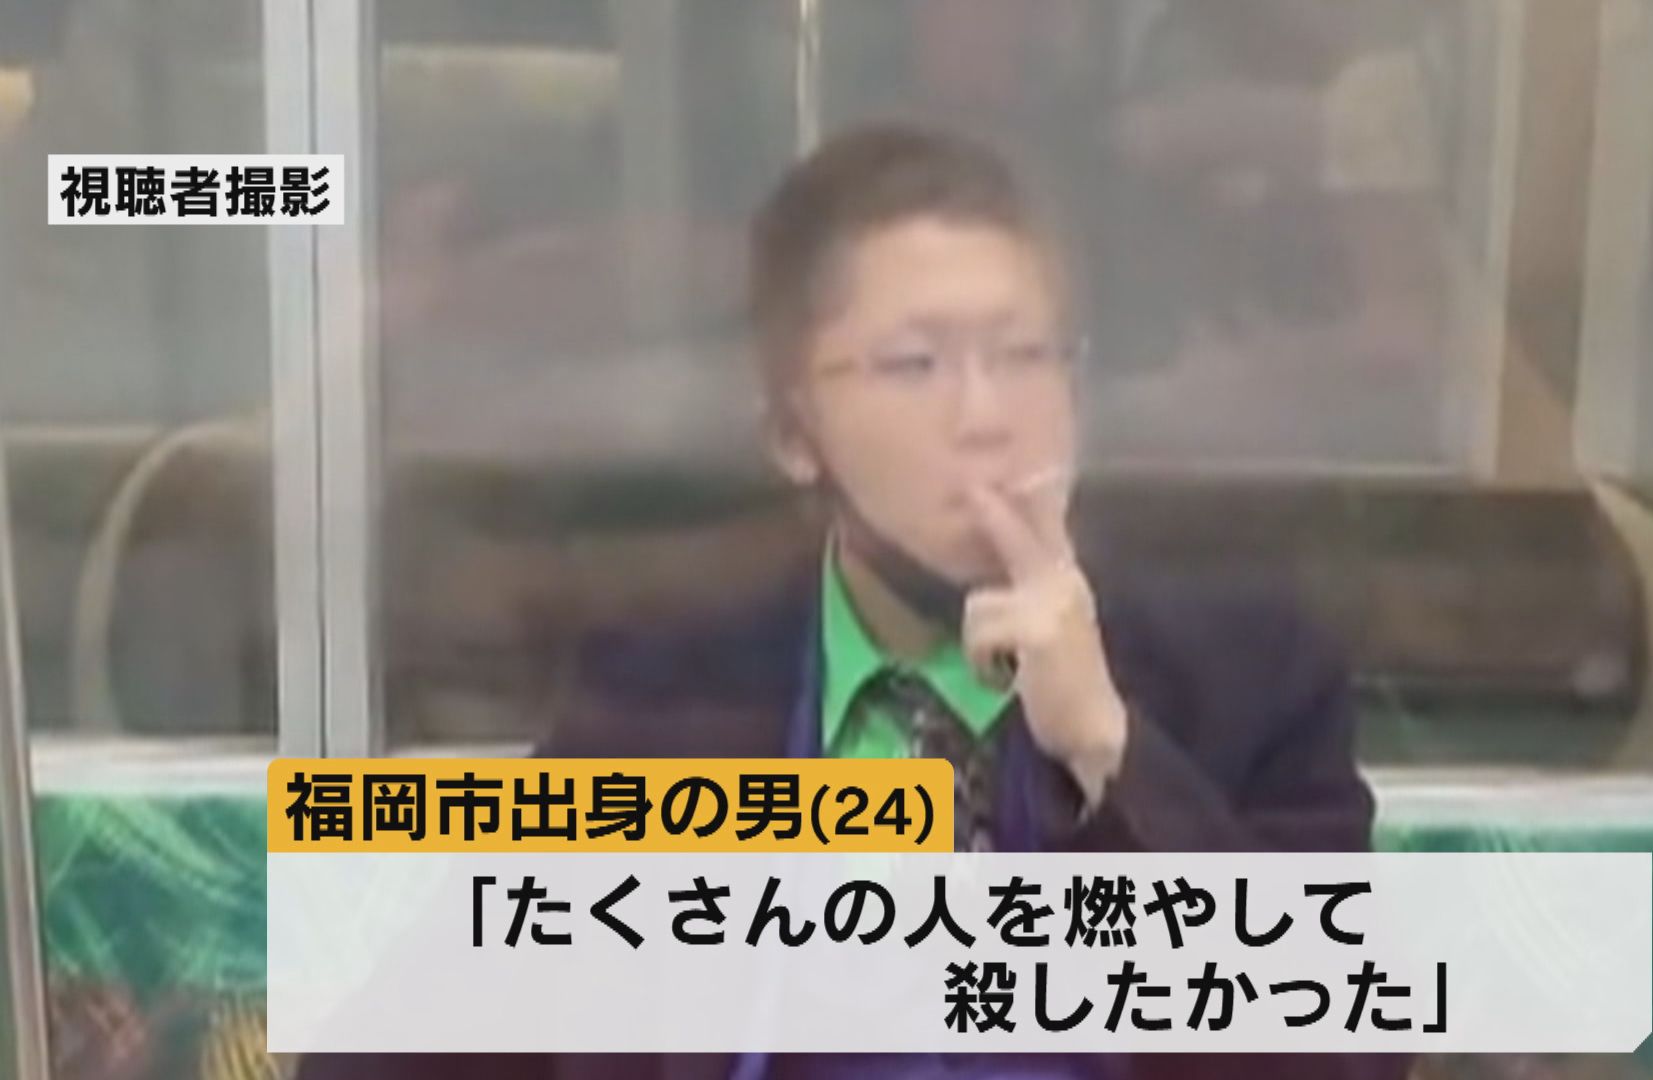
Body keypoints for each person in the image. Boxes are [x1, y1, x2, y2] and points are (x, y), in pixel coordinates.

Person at [299, 124, 1403, 1080]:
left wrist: (1112, 754)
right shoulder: (668, 688)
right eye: (916, 366)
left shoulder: (1245, 673)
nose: (986, 416)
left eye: (1026, 357)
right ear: (794, 434)